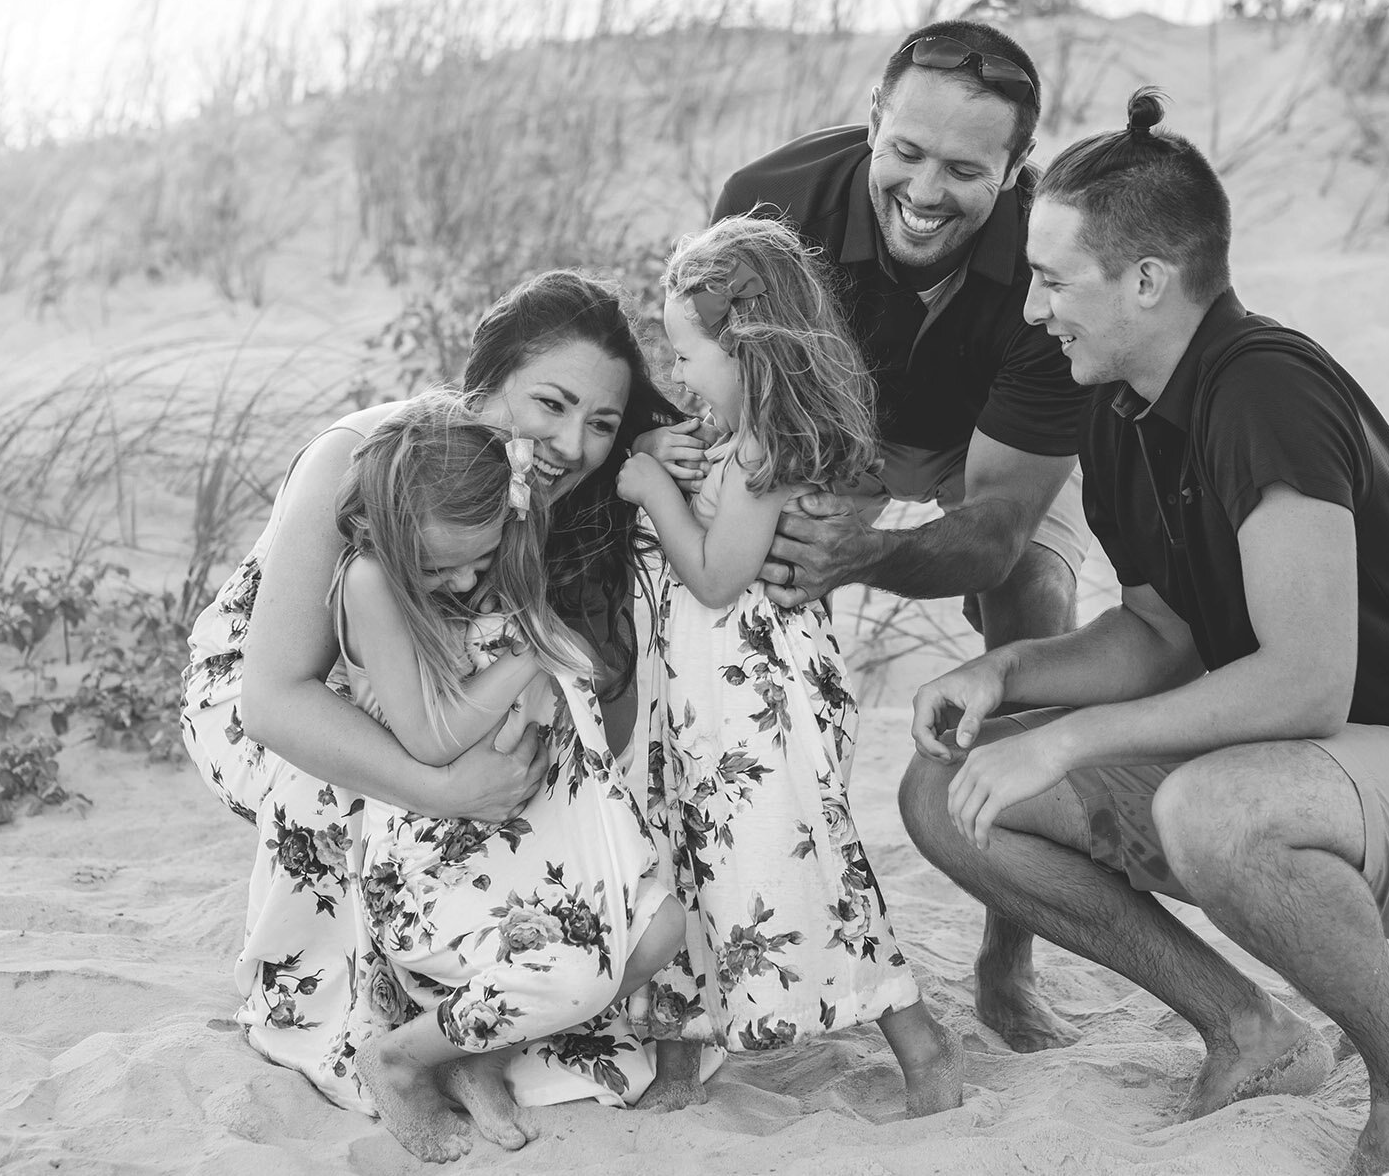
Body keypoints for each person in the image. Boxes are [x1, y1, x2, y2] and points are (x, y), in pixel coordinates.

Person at [899, 89, 1389, 1176]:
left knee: (1209, 806)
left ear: (1146, 279)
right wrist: (1007, 669)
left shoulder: (1264, 386)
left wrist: (1066, 737)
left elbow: (1304, 683)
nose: (1032, 309)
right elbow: (1159, 627)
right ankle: (1249, 1030)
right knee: (948, 788)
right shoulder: (1113, 406)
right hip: (1307, 770)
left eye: (1054, 279)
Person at [180, 270, 689, 1147]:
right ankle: (382, 1011)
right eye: (552, 404)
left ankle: (488, 1004)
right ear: (483, 380)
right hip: (271, 688)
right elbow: (274, 697)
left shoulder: (548, 480)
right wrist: (444, 787)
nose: (574, 442)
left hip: (431, 680)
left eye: (601, 421)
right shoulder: (370, 462)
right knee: (383, 770)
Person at [701, 18, 1093, 1052]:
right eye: (906, 152)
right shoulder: (766, 205)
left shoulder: (1052, 267)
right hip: (833, 420)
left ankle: (1007, 961)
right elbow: (744, 420)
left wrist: (868, 553)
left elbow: (1000, 527)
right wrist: (806, 536)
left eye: (964, 168)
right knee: (745, 600)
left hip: (986, 442)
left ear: (1013, 172)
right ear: (872, 120)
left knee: (1037, 614)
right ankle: (750, 919)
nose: (925, 190)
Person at [613, 216, 963, 1116]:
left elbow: (719, 576)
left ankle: (924, 1047)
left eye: (689, 355)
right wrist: (663, 456)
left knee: (799, 858)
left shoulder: (765, 447)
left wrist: (652, 489)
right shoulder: (728, 436)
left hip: (757, 701)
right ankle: (681, 1064)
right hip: (690, 704)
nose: (678, 374)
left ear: (753, 354)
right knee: (683, 856)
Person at [325, 393, 686, 1162]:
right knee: (575, 977)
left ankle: (479, 1058)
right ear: (393, 531)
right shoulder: (370, 582)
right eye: (439, 565)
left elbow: (573, 668)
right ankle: (397, 1058)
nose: (461, 584)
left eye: (479, 561)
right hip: (442, 850)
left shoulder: (494, 552)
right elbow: (430, 736)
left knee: (659, 930)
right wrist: (531, 657)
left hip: (527, 831)